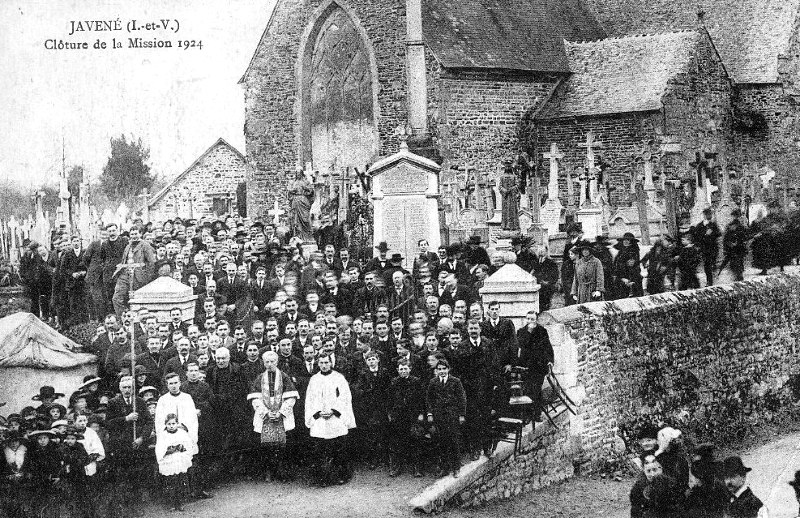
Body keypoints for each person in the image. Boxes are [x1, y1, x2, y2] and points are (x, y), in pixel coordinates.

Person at [304, 354, 356, 486]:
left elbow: (345, 396)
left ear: (331, 363)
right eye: (321, 363)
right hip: (320, 418)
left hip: (335, 418)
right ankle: (321, 478)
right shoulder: (314, 379)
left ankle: (340, 476)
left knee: (338, 450)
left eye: (326, 362)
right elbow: (310, 399)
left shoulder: (339, 377)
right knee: (320, 450)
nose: (324, 365)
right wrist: (318, 412)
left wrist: (334, 410)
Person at [247, 351, 299, 482]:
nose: (269, 364)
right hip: (265, 416)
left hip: (281, 415)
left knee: (282, 447)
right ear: (263, 363)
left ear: (277, 362)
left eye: (272, 361)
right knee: (266, 447)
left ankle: (282, 472)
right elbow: (255, 399)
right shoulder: (259, 378)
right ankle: (268, 471)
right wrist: (266, 412)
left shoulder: (284, 377)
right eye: (267, 362)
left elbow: (291, 397)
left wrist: (281, 412)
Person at [507, 310, 553, 422]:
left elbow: (548, 347)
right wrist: (515, 362)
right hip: (525, 366)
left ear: (536, 320)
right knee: (527, 390)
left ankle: (536, 414)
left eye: (532, 319)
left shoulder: (542, 331)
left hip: (538, 366)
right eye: (528, 319)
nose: (530, 321)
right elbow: (517, 348)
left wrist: (550, 361)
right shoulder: (521, 332)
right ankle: (527, 415)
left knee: (536, 389)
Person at [426, 359, 466, 477]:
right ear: (436, 371)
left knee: (453, 441)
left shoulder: (455, 381)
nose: (442, 371)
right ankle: (445, 467)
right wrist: (429, 413)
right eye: (439, 369)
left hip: (452, 415)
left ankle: (456, 467)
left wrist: (461, 415)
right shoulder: (433, 382)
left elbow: (461, 398)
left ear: (448, 369)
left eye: (444, 369)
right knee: (442, 441)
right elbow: (429, 399)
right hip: (439, 416)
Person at [387, 358, 425, 477]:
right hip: (398, 416)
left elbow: (422, 399)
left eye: (405, 369)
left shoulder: (416, 382)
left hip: (413, 416)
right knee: (396, 443)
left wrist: (420, 413)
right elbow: (389, 400)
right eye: (401, 369)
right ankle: (396, 467)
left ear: (410, 369)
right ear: (397, 370)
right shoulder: (394, 382)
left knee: (416, 441)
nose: (403, 371)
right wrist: (390, 414)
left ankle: (417, 468)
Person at [156, 413, 193, 512]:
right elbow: (159, 449)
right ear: (166, 425)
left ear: (177, 423)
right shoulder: (163, 435)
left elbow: (188, 444)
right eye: (169, 424)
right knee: (170, 483)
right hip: (169, 461)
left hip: (180, 460)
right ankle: (171, 504)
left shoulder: (182, 433)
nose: (171, 426)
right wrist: (168, 450)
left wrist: (182, 447)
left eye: (173, 423)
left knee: (181, 482)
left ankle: (180, 503)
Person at [693, 208, 721, 286]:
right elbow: (697, 237)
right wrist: (705, 234)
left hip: (713, 248)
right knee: (707, 265)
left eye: (710, 214)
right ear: (704, 215)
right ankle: (709, 281)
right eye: (708, 214)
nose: (710, 216)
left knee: (713, 264)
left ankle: (714, 279)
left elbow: (719, 234)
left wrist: (713, 233)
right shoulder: (699, 226)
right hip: (705, 249)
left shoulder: (713, 224)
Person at [287, 167, 315, 242]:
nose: (298, 175)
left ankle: (308, 237)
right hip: (295, 201)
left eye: (299, 173)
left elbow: (311, 191)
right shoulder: (293, 183)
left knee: (305, 219)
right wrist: (292, 191)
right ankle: (297, 236)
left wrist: (305, 189)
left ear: (302, 173)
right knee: (295, 219)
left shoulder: (306, 182)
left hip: (303, 201)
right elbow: (289, 193)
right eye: (297, 173)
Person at [721, 209, 748, 282]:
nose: (735, 217)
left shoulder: (741, 226)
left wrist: (738, 243)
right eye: (734, 216)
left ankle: (739, 275)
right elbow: (726, 237)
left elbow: (744, 236)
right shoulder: (729, 226)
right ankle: (737, 276)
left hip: (739, 247)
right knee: (734, 262)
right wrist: (729, 244)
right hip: (732, 248)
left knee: (739, 262)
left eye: (736, 216)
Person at [532, 245, 559, 311]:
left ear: (546, 252)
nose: (541, 252)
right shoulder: (535, 262)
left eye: (542, 250)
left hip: (546, 288)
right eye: (539, 250)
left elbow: (555, 275)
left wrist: (548, 282)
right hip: (537, 286)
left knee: (545, 305)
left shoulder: (551, 263)